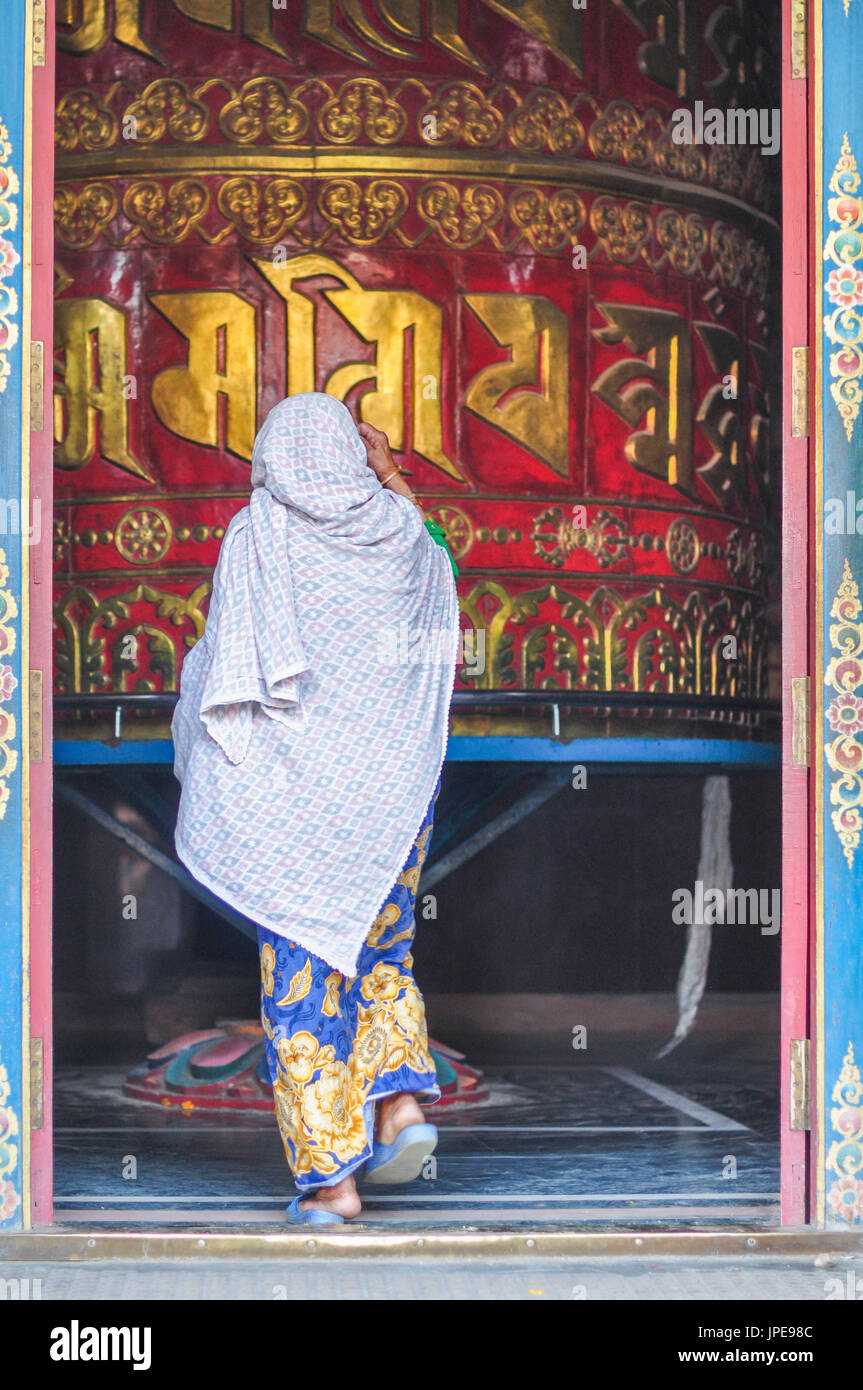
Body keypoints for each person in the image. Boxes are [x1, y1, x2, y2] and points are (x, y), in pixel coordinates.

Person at [171, 392, 459, 1223]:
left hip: (294, 805)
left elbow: (226, 666)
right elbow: (442, 575)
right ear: (349, 451)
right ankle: (399, 1103)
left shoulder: (256, 534)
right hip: (391, 798)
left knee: (301, 986)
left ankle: (333, 1186)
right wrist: (392, 472)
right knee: (382, 951)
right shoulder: (403, 532)